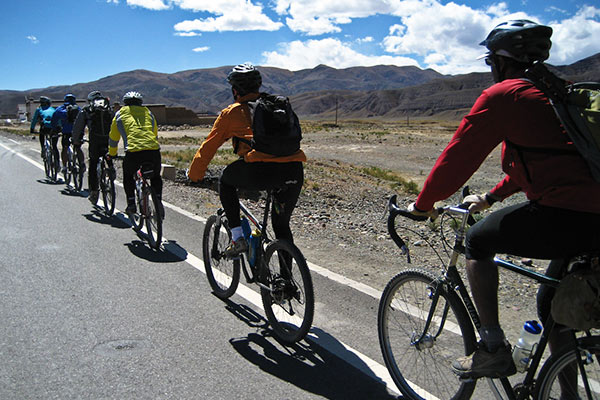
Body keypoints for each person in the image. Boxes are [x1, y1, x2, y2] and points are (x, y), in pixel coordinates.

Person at [407, 20, 600, 380]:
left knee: (478, 241)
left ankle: (492, 349)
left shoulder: (505, 95)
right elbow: (543, 163)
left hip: (567, 214)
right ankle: (569, 391)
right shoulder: (560, 92)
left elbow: (458, 157)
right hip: (593, 216)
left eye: (489, 61)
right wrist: (490, 197)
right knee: (552, 305)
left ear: (500, 60)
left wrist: (422, 205)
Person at [188, 63, 306, 256]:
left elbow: (208, 148)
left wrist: (195, 175)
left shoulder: (231, 113)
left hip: (259, 171)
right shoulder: (278, 106)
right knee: (281, 226)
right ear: (258, 86)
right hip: (293, 171)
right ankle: (286, 282)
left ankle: (237, 238)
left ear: (235, 90)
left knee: (226, 181)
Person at [108, 91, 163, 216]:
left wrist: (112, 153)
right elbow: (154, 132)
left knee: (128, 176)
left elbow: (113, 138)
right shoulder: (148, 113)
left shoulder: (120, 114)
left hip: (133, 152)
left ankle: (131, 204)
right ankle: (158, 201)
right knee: (156, 177)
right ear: (140, 102)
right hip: (153, 150)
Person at [72, 90, 114, 204]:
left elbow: (78, 126)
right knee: (109, 155)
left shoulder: (87, 109)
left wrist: (76, 140)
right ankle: (111, 170)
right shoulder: (108, 108)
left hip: (95, 140)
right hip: (108, 139)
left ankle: (94, 192)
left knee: (93, 164)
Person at [51, 94, 82, 174]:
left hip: (66, 132)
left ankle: (64, 167)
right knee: (78, 147)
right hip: (77, 132)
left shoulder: (60, 109)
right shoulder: (78, 108)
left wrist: (54, 129)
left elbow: (54, 120)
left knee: (65, 148)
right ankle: (82, 164)